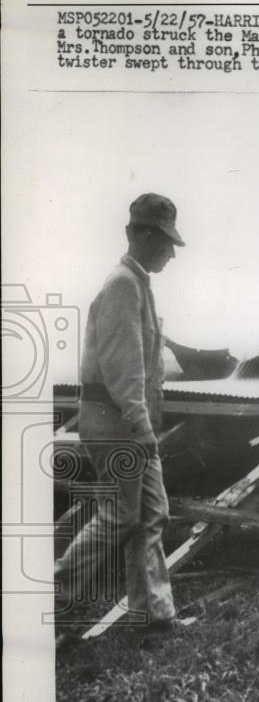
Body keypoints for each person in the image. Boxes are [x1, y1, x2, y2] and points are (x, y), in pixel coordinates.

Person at [54, 193, 184, 631]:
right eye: (165, 241)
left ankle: (153, 613)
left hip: (126, 421)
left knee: (152, 513)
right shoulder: (122, 286)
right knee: (121, 516)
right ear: (140, 234)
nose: (170, 252)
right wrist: (140, 425)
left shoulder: (137, 284)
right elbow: (122, 367)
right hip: (115, 421)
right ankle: (54, 599)